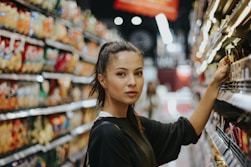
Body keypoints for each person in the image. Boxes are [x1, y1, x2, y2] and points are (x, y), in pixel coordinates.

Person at [84, 40, 230, 167]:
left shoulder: (135, 124)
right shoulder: (107, 134)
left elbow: (186, 131)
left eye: (138, 73)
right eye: (121, 74)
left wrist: (215, 83)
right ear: (103, 80)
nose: (132, 82)